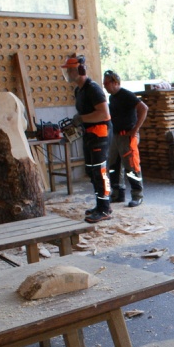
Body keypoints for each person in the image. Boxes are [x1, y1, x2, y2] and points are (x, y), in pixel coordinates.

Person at [61, 54, 113, 223]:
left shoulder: (93, 89)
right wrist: (76, 125)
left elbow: (104, 114)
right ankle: (101, 205)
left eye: (71, 70)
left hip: (99, 133)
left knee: (100, 172)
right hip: (88, 133)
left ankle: (105, 209)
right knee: (91, 171)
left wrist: (81, 119)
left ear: (80, 70)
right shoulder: (79, 90)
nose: (69, 74)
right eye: (68, 71)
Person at [103, 70, 148, 207]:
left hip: (128, 135)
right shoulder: (112, 98)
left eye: (106, 83)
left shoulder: (126, 95)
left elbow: (144, 108)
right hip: (116, 135)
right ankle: (118, 193)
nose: (105, 86)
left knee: (132, 166)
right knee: (114, 165)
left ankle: (137, 195)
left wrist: (135, 129)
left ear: (115, 82)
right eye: (104, 84)